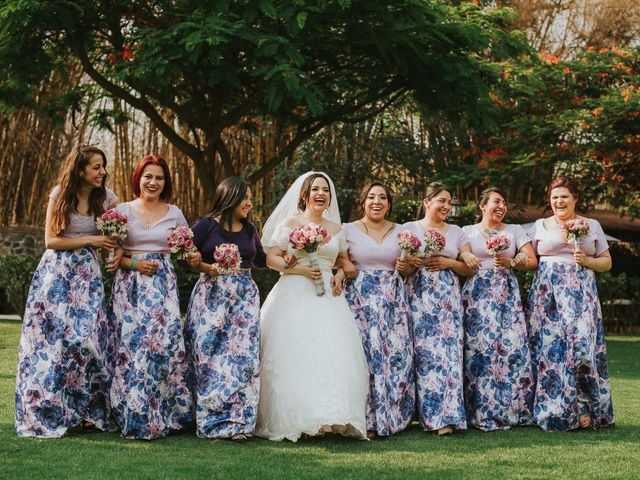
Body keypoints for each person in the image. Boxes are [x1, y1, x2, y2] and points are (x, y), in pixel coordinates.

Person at [255, 172, 369, 442]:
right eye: (315, 189)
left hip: (328, 298)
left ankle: (330, 417)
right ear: (304, 195)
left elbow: (344, 262)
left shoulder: (335, 228)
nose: (321, 193)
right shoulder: (290, 223)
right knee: (295, 353)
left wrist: (339, 275)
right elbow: (271, 258)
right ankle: (300, 417)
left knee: (331, 353)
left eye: (325, 190)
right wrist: (300, 271)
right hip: (293, 293)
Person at [15, 145, 120, 438]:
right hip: (56, 275)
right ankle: (50, 408)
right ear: (80, 170)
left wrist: (115, 248)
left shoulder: (108, 200)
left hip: (88, 276)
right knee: (53, 344)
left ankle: (89, 410)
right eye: (96, 167)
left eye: (103, 166)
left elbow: (117, 235)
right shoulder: (59, 193)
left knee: (88, 341)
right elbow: (51, 240)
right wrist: (93, 239)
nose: (102, 172)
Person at [107, 155, 200, 440]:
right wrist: (135, 264)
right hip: (130, 287)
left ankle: (167, 412)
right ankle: (130, 410)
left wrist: (195, 256)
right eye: (148, 176)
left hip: (162, 286)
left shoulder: (175, 213)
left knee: (162, 345)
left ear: (165, 182)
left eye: (159, 177)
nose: (153, 182)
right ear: (139, 178)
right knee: (131, 347)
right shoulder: (120, 210)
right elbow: (111, 257)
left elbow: (187, 252)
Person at [527, 175, 614, 431]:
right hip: (548, 297)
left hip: (581, 295)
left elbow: (606, 262)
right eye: (554, 197)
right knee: (552, 351)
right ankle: (557, 411)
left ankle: (585, 405)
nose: (559, 201)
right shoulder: (540, 225)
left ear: (575, 198)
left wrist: (587, 261)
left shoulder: (591, 224)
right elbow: (530, 258)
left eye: (564, 196)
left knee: (582, 349)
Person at [184, 177, 267, 441]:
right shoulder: (206, 225)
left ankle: (239, 423)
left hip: (244, 298)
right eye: (245, 198)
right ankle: (210, 421)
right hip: (211, 296)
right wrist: (198, 262)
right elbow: (187, 254)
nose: (249, 203)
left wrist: (291, 257)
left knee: (243, 359)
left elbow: (262, 259)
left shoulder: (249, 229)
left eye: (250, 198)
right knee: (209, 358)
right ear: (230, 197)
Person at [460, 187, 537, 431]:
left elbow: (532, 261)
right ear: (482, 206)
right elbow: (457, 259)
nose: (501, 206)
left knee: (511, 349)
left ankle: (513, 410)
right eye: (496, 201)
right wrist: (465, 260)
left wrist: (512, 262)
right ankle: (477, 410)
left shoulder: (514, 230)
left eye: (504, 202)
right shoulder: (467, 232)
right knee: (479, 351)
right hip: (477, 296)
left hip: (506, 296)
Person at [342, 181, 414, 438]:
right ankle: (365, 419)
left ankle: (391, 416)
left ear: (389, 203)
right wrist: (344, 265)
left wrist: (408, 267)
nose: (377, 202)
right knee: (365, 358)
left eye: (383, 197)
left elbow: (410, 264)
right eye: (371, 197)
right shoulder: (347, 229)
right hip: (360, 301)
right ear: (363, 202)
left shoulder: (402, 231)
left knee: (394, 357)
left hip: (393, 301)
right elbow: (339, 256)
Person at [402, 182, 474, 436]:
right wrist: (410, 263)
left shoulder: (456, 232)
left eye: (449, 201)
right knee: (422, 356)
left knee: (449, 355)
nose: (446, 206)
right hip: (418, 298)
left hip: (447, 300)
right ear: (427, 203)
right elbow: (400, 267)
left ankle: (447, 417)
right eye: (441, 201)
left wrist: (450, 262)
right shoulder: (409, 229)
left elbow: (469, 268)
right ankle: (422, 415)